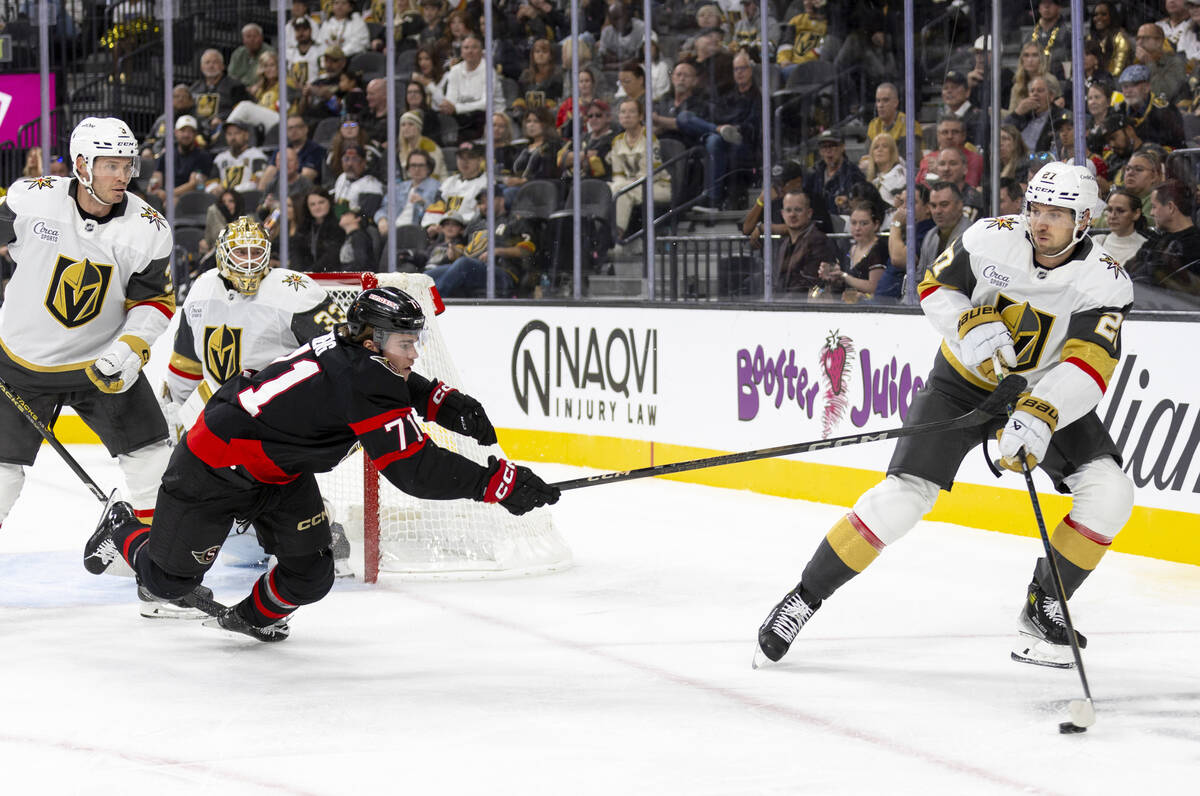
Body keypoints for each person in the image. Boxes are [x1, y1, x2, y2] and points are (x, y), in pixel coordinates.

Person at [754, 162, 1136, 671]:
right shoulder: (990, 238)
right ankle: (804, 597)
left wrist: (1041, 413)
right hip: (960, 384)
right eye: (1035, 208)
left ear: (1085, 218)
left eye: (1057, 213)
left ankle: (1044, 605)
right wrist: (967, 322)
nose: (1041, 222)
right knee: (901, 498)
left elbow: (1089, 364)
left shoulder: (1107, 282)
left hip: (1040, 390)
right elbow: (935, 286)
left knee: (1111, 492)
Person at [85, 285, 560, 641]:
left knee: (311, 573)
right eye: (405, 343)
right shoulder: (363, 378)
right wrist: (499, 483)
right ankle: (122, 528)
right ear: (373, 341)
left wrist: (441, 401)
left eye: (415, 342)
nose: (413, 353)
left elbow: (391, 386)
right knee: (168, 581)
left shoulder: (358, 353)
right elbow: (414, 470)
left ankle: (250, 619)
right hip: (213, 467)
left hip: (277, 470)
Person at [0, 117, 175, 538]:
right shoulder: (32, 199)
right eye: (110, 165)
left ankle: (158, 571)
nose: (123, 176)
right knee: (1, 473)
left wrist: (130, 349)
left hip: (103, 365)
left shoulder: (149, 230)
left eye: (128, 165)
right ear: (81, 164)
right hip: (21, 362)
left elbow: (155, 302)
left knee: (153, 459)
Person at [160, 217, 352, 574]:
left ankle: (314, 524)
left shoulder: (294, 290)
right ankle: (258, 533)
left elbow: (342, 351)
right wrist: (173, 407)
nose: (249, 260)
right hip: (218, 408)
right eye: (241, 251)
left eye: (256, 251)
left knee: (272, 482)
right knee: (212, 502)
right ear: (222, 255)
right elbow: (186, 361)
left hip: (277, 411)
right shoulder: (202, 289)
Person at [607, 98, 671, 240]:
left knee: (621, 192)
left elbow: (650, 175)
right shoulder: (617, 141)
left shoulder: (649, 137)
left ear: (641, 116)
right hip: (630, 186)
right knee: (608, 189)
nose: (627, 115)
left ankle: (616, 238)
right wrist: (623, 184)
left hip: (656, 186)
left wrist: (624, 185)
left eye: (632, 112)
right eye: (623, 112)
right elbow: (618, 175)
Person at [1129, 178, 1200, 295]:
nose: (1151, 213)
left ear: (1171, 207)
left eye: (1154, 206)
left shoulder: (1194, 247)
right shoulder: (1156, 240)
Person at [817, 199, 888, 299]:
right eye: (854, 223)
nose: (857, 228)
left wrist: (844, 276)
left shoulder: (879, 249)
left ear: (876, 225)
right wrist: (832, 275)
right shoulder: (848, 247)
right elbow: (843, 282)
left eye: (864, 223)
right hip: (848, 303)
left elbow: (874, 287)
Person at [772, 187, 837, 295]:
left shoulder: (818, 241)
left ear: (809, 213)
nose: (792, 215)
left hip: (804, 306)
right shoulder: (784, 244)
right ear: (782, 214)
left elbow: (811, 285)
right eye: (788, 210)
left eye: (798, 210)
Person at [917, 181, 971, 275]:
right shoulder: (930, 235)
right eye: (933, 206)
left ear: (959, 205)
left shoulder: (971, 235)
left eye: (944, 204)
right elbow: (920, 276)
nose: (937, 211)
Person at [1093, 187, 1149, 267]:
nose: (1112, 216)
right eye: (1109, 210)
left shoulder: (1144, 247)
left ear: (1136, 213)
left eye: (1120, 211)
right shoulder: (1097, 241)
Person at [228, 23, 276, 88]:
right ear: (243, 39)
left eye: (255, 36)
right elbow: (231, 76)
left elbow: (270, 77)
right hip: (240, 90)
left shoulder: (269, 52)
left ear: (261, 38)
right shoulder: (238, 53)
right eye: (248, 36)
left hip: (261, 89)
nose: (252, 40)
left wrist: (256, 87)